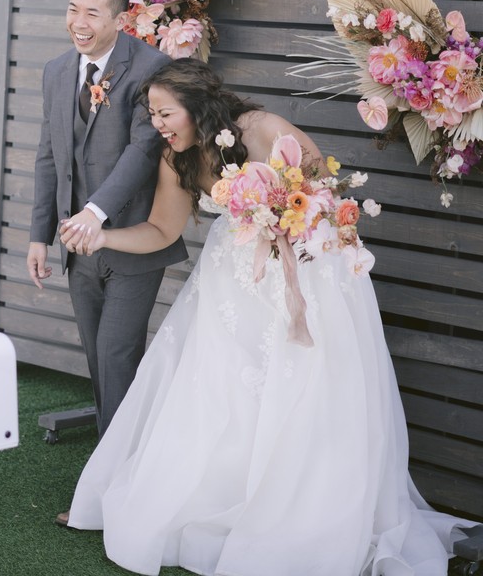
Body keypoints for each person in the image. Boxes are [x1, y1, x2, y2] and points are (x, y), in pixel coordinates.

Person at [59, 58, 475, 576]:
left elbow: (323, 191)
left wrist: (281, 217)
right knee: (220, 390)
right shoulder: (176, 157)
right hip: (231, 281)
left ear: (198, 108)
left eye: (166, 113)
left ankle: (295, 513)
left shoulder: (264, 129)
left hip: (307, 271)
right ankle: (223, 499)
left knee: (303, 389)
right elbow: (162, 231)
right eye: (153, 114)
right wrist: (102, 237)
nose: (158, 124)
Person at [27, 0, 187, 443]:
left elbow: (144, 150)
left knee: (117, 353)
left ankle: (115, 477)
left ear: (121, 18)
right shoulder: (56, 71)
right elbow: (48, 155)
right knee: (98, 356)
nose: (79, 22)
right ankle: (117, 453)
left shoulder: (151, 68)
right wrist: (40, 235)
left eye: (93, 13)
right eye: (73, 9)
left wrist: (94, 213)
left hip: (134, 239)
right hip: (78, 247)